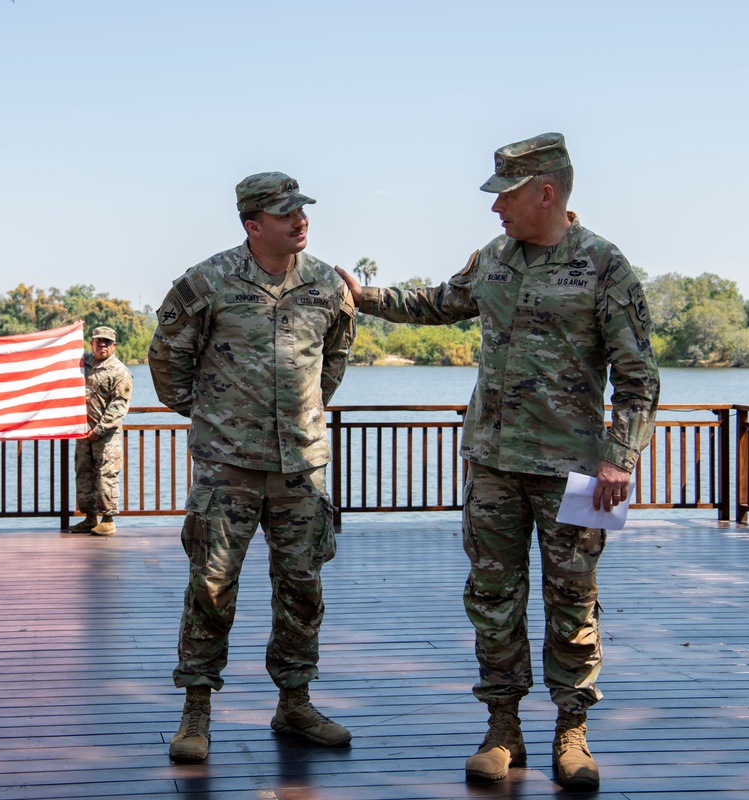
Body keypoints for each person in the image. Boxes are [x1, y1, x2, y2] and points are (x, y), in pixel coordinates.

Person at [336, 133, 660, 790]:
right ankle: (502, 728)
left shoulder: (605, 267)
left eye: (504, 195)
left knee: (575, 599)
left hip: (578, 470)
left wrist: (620, 459)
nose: (494, 210)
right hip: (491, 463)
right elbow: (436, 302)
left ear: (546, 192)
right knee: (492, 597)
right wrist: (364, 296)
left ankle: (572, 731)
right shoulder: (493, 260)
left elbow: (639, 379)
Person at [148, 172, 357, 762]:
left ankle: (295, 703)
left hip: (301, 469)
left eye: (302, 210)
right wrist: (213, 414)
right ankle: (196, 709)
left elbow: (336, 355)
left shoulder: (325, 284)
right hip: (228, 467)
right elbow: (166, 359)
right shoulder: (207, 282)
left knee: (302, 587)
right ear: (252, 224)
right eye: (286, 212)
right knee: (211, 586)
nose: (301, 220)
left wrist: (308, 408)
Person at [67, 325, 133, 536]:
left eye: (106, 342)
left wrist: (98, 429)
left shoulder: (120, 371)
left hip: (106, 435)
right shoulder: (82, 364)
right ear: (91, 343)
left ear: (114, 346)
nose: (102, 345)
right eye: (98, 341)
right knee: (84, 474)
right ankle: (89, 517)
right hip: (82, 432)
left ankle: (108, 519)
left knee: (106, 475)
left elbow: (119, 406)